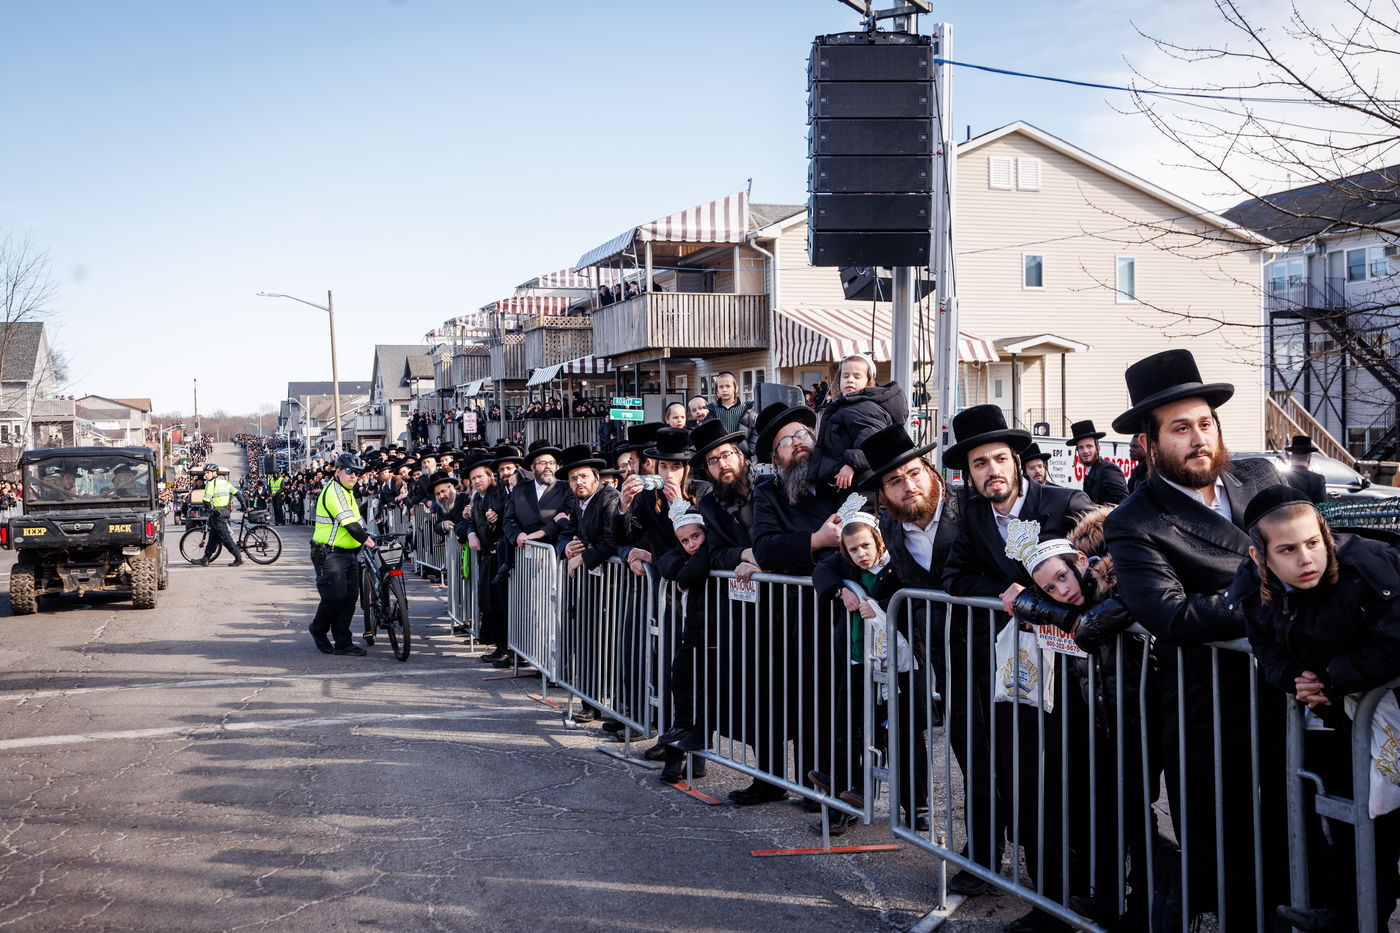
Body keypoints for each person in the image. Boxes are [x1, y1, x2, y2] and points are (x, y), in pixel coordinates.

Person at [1103, 348, 1289, 931]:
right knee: (1229, 855)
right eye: (1180, 428)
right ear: (1149, 443)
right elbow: (1172, 616)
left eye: (1205, 423)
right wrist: (1274, 596)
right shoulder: (1134, 520)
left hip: (1295, 693)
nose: (1199, 438)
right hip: (1209, 710)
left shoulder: (1258, 478)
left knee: (1302, 837)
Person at [940, 405, 1093, 932]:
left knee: (1079, 786)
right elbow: (954, 576)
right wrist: (1004, 592)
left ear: (1017, 460)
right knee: (1029, 785)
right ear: (969, 473)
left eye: (999, 459)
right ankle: (1049, 899)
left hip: (1077, 675)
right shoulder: (975, 517)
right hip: (1019, 677)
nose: (991, 471)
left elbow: (1109, 567)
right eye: (979, 463)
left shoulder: (1066, 504)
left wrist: (1046, 597)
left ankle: (1089, 895)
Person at [1233, 485, 1400, 933]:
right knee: (1352, 823)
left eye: (1313, 543)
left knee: (1381, 827)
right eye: (1287, 550)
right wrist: (1291, 677)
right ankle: (1351, 916)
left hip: (1383, 715)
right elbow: (1263, 645)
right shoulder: (1252, 585)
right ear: (1260, 557)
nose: (1306, 559)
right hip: (1339, 721)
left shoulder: (1369, 568)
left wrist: (1333, 676)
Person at [748, 401, 850, 806]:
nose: (798, 442)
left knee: (830, 700)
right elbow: (766, 548)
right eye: (787, 440)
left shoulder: (838, 484)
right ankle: (784, 781)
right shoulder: (767, 493)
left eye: (804, 434)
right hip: (788, 611)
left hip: (837, 607)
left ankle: (824, 786)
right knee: (790, 697)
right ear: (776, 458)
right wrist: (816, 541)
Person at [856, 425, 955, 838]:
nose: (909, 486)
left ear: (930, 471)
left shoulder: (967, 511)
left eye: (914, 473)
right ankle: (983, 850)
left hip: (993, 652)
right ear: (883, 494)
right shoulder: (892, 528)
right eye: (895, 481)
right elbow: (894, 575)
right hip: (940, 659)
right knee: (969, 755)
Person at [309, 452, 375, 656]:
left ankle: (343, 642)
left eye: (357, 472)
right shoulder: (334, 491)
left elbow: (358, 521)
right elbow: (350, 524)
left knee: (349, 598)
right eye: (349, 471)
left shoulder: (347, 492)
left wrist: (368, 536)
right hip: (330, 553)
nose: (353, 475)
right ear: (337, 471)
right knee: (334, 597)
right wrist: (369, 542)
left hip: (349, 553)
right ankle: (318, 629)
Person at [810, 353, 908, 490]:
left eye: (857, 377)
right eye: (845, 376)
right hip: (841, 480)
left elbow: (872, 440)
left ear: (869, 382)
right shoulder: (845, 406)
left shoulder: (864, 407)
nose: (850, 380)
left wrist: (852, 464)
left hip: (857, 482)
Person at [193, 462, 244, 567]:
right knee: (213, 537)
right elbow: (238, 493)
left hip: (217, 513)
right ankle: (205, 559)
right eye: (205, 473)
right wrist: (243, 505)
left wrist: (209, 510)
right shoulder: (225, 482)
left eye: (208, 473)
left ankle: (238, 557)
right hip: (224, 511)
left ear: (215, 473)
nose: (205, 475)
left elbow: (206, 500)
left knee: (225, 538)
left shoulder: (211, 484)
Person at [1070, 420, 1129, 506]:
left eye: (1089, 446)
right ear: (1077, 451)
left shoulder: (1108, 470)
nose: (1085, 451)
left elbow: (1124, 501)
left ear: (1098, 448)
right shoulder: (1091, 470)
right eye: (1081, 447)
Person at [710, 371, 756, 453]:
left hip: (742, 454)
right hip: (719, 455)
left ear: (736, 388)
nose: (724, 390)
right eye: (721, 387)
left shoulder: (747, 410)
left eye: (728, 386)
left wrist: (750, 450)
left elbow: (755, 432)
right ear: (717, 390)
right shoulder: (711, 411)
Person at [1282, 434, 1327, 503]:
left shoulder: (1281, 476)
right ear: (1309, 458)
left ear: (1291, 458)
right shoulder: (1318, 480)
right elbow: (1321, 506)